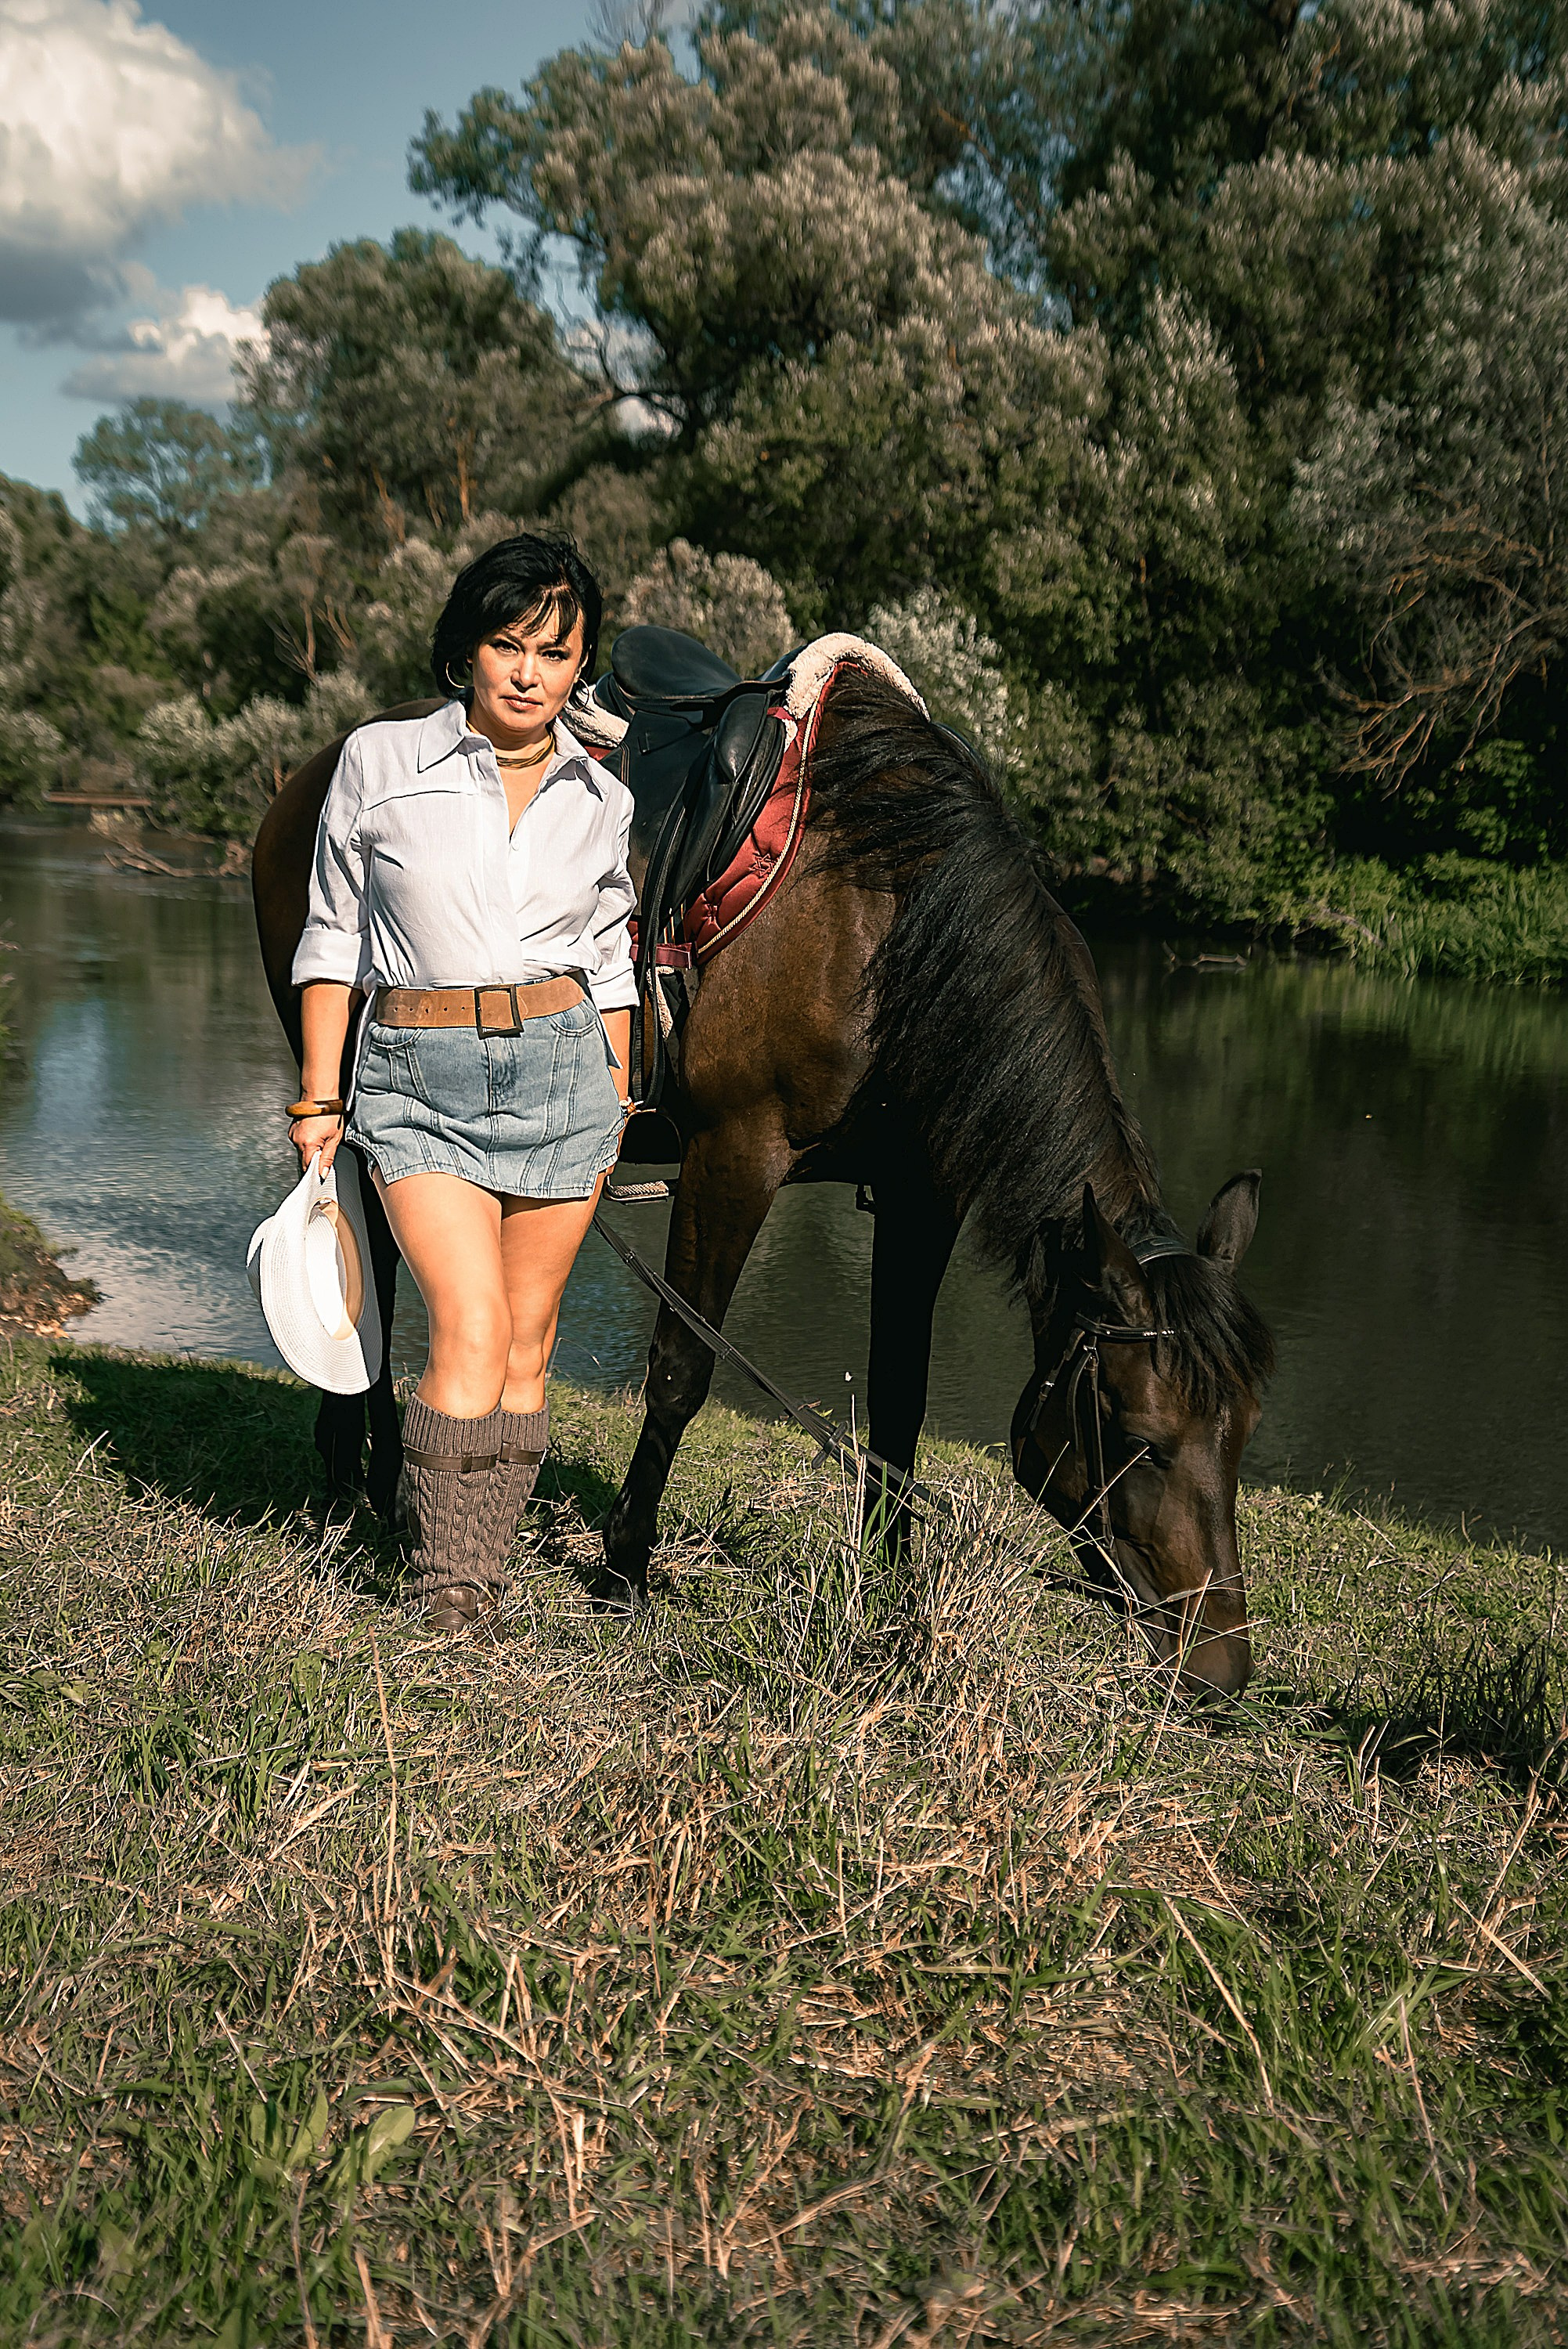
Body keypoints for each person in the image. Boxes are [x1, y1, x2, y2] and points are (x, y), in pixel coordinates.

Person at [287, 534, 635, 1630]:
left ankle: (480, 1576)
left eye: (557, 651)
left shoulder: (602, 796)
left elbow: (612, 956)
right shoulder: (379, 765)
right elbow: (332, 941)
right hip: (414, 1077)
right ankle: (447, 1596)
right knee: (471, 1324)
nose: (530, 672)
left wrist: (616, 1093)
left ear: (584, 666)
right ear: (465, 649)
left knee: (528, 1342)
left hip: (565, 1076)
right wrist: (317, 1097)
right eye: (507, 643)